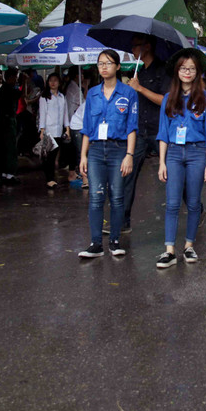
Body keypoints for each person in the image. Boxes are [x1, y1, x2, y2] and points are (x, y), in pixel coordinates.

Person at [155, 49, 206, 268]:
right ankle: (169, 250)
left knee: (192, 203)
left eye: (191, 68)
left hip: (197, 153)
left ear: (197, 71)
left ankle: (188, 246)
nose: (187, 72)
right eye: (183, 68)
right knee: (172, 203)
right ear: (177, 71)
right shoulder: (168, 99)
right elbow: (163, 132)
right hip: (172, 153)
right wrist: (162, 162)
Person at [78, 50, 138, 259]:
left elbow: (132, 127)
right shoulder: (92, 93)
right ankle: (95, 243)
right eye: (100, 63)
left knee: (117, 197)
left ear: (118, 66)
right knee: (95, 197)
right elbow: (87, 127)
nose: (104, 67)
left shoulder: (129, 93)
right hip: (95, 150)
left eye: (108, 63)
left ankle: (114, 241)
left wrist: (129, 154)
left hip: (118, 149)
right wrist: (83, 156)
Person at [123, 35, 171, 233]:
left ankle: (197, 209)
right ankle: (123, 220)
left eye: (135, 45)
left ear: (147, 47)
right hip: (140, 132)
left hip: (160, 131)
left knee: (173, 173)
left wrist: (140, 88)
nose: (132, 49)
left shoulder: (164, 70)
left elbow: (166, 101)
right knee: (127, 173)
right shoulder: (138, 72)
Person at [38, 73, 70, 189]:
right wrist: (42, 130)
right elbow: (42, 114)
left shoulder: (62, 97)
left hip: (59, 130)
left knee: (55, 154)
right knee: (49, 156)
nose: (53, 83)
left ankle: (51, 178)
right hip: (48, 130)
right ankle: (49, 179)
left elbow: (65, 114)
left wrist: (67, 129)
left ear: (59, 83)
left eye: (55, 80)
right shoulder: (44, 97)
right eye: (50, 80)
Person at [0, 68, 21, 184]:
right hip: (7, 122)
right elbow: (20, 95)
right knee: (10, 148)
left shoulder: (3, 90)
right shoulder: (7, 90)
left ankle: (5, 173)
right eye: (15, 77)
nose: (16, 80)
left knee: (5, 148)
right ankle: (9, 174)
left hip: (4, 123)